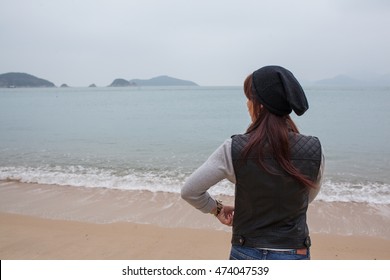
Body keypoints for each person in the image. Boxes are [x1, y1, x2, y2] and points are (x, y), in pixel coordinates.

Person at [181, 65, 324, 260]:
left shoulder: (234, 147)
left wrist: (217, 209)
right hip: (294, 252)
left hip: (246, 251)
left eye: (249, 98)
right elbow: (306, 197)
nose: (247, 104)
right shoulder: (314, 149)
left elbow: (190, 191)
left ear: (261, 104)